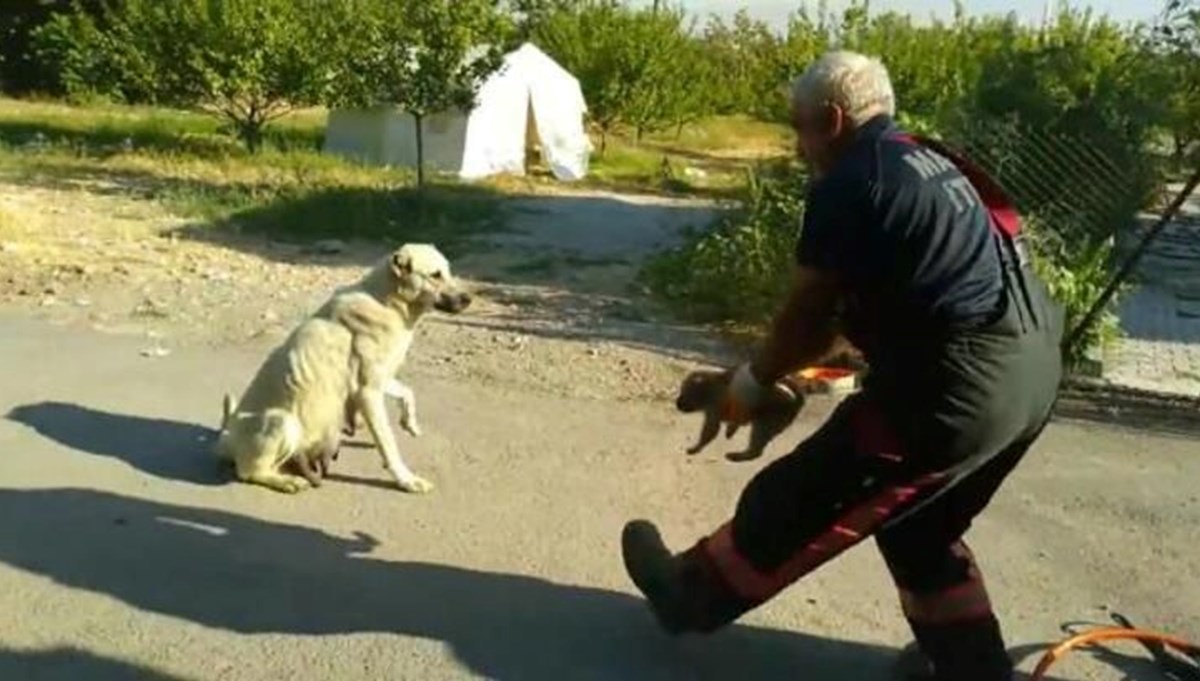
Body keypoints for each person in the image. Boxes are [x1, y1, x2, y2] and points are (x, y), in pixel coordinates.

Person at [620, 50, 1064, 681]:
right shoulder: (929, 159)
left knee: (798, 496)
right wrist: (803, 373)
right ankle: (966, 664)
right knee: (920, 531)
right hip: (1032, 376)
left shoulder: (852, 180)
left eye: (798, 127)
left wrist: (749, 383)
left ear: (830, 119)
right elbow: (917, 295)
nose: (798, 146)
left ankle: (687, 594)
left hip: (952, 396)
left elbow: (811, 313)